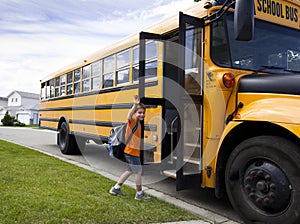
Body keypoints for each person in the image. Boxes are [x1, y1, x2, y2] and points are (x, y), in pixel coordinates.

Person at [109, 95, 151, 200]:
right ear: (135, 113)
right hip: (131, 151)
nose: (142, 115)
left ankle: (116, 188)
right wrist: (135, 105)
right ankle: (139, 194)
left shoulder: (139, 123)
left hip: (132, 151)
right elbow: (129, 116)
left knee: (130, 170)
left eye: (143, 113)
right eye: (139, 112)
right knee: (138, 172)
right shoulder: (133, 120)